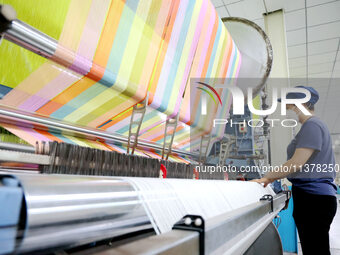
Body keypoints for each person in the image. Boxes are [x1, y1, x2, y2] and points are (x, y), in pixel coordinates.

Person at [251, 86, 338, 255]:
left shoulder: (313, 125)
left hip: (314, 199)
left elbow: (296, 162)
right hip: (312, 197)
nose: (286, 110)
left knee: (315, 249)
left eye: (288, 106)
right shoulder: (311, 126)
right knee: (314, 249)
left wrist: (267, 178)